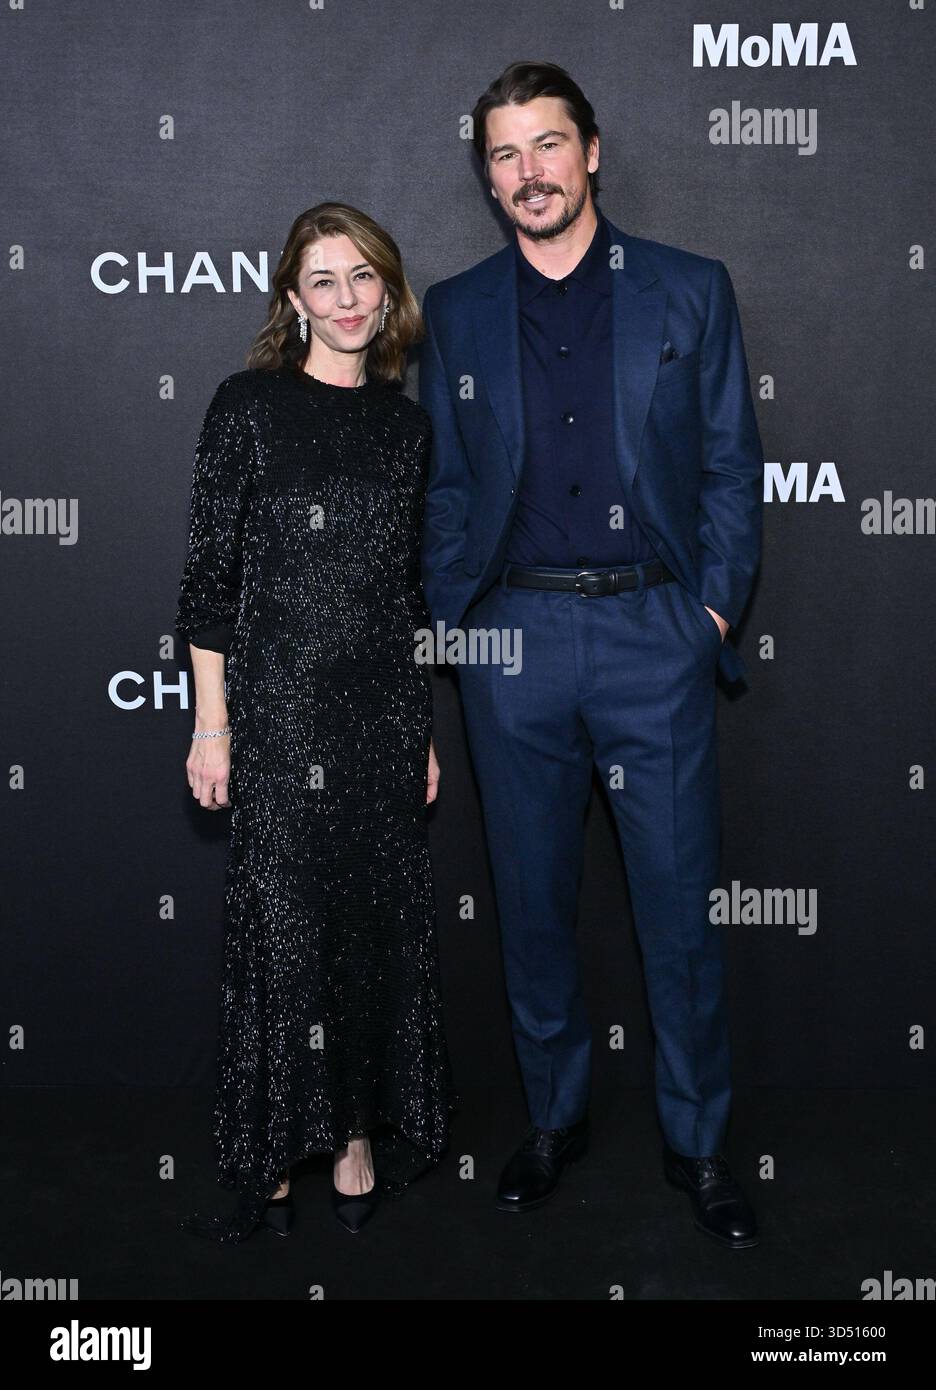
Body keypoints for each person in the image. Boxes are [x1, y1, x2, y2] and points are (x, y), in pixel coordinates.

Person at [419, 62, 763, 1248]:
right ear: (487, 172)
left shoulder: (688, 288)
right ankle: (555, 1118)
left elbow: (729, 468)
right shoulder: (457, 309)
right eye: (505, 154)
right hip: (513, 639)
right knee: (532, 906)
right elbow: (451, 491)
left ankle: (701, 1141)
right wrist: (459, 630)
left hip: (650, 634)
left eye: (548, 146)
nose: (529, 173)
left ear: (593, 151)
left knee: (676, 909)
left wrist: (707, 617)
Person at [175, 202, 456, 1243]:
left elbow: (402, 592)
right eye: (324, 281)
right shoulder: (247, 407)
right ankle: (275, 1153)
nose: (346, 300)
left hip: (379, 715)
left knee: (372, 930)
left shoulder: (406, 426)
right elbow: (210, 585)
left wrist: (419, 727)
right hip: (281, 717)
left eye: (364, 278)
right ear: (293, 298)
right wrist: (215, 729)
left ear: (389, 292)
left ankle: (353, 1143)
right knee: (287, 937)